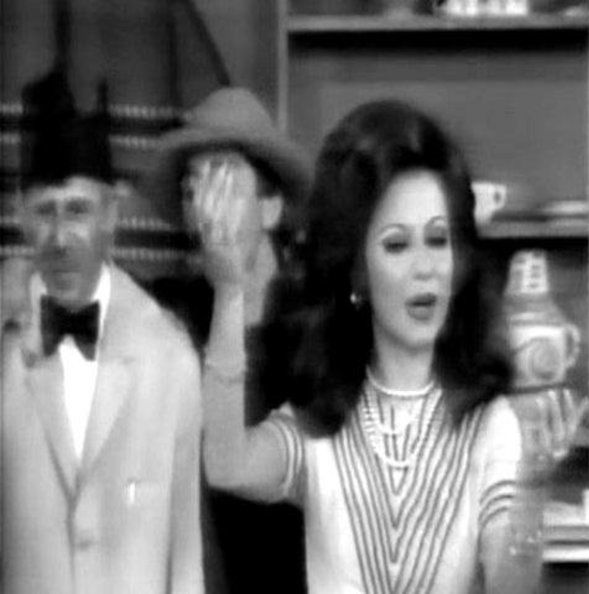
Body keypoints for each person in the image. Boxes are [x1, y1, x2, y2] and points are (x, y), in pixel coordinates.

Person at [199, 98, 542, 593]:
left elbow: (513, 589)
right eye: (397, 245)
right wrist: (229, 292)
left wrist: (532, 487)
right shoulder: (322, 424)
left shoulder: (487, 424)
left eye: (438, 240)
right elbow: (226, 466)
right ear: (356, 271)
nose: (425, 268)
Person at [0, 68, 204, 593]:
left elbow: (186, 558)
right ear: (19, 215)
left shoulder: (169, 356)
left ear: (112, 215)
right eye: (45, 211)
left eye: (78, 211)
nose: (61, 237)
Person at [148, 86, 312, 593]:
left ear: (270, 207)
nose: (205, 205)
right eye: (191, 189)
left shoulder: (318, 321)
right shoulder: (168, 315)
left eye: (222, 179)